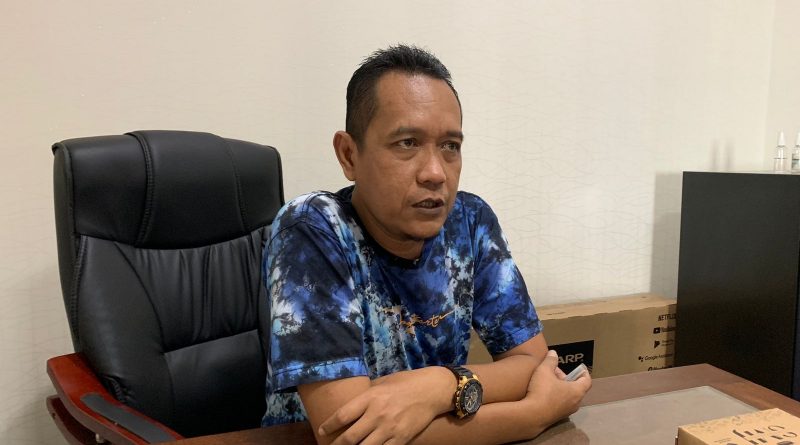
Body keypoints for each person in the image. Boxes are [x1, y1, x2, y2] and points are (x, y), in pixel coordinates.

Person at [262, 44, 591, 445]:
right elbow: (348, 435)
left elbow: (535, 365)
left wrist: (441, 385)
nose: (436, 173)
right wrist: (531, 416)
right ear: (349, 155)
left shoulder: (470, 221)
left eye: (450, 146)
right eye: (407, 143)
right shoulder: (313, 229)